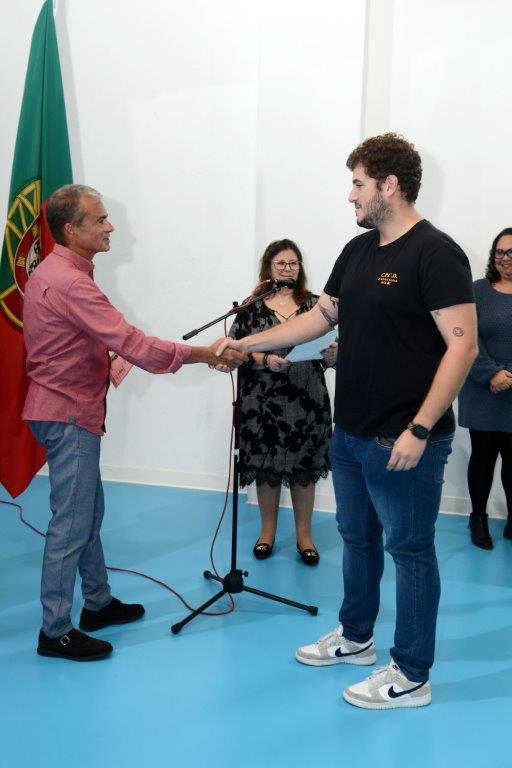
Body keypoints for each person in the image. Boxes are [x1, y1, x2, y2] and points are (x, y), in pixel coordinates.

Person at [217, 133, 477, 709]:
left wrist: (420, 428)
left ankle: (411, 673)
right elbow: (318, 319)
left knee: (411, 551)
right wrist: (245, 343)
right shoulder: (357, 251)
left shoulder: (436, 253)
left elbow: (463, 346)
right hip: (351, 432)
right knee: (357, 538)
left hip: (403, 438)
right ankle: (357, 638)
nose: (350, 195)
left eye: (358, 183)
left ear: (390, 185)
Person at [22, 184, 246, 662]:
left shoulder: (57, 272)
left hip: (64, 408)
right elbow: (132, 343)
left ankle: (97, 603)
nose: (110, 227)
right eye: (100, 220)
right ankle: (54, 631)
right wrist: (205, 353)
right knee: (71, 524)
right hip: (68, 413)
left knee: (87, 513)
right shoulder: (71, 283)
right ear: (71, 229)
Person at [229, 239, 335, 565]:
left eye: (293, 263)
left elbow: (333, 356)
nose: (288, 269)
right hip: (261, 402)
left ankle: (305, 536)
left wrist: (334, 355)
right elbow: (236, 351)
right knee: (267, 469)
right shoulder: (250, 308)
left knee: (305, 470)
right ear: (268, 268)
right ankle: (267, 533)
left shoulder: (317, 307)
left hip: (307, 400)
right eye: (281, 263)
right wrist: (265, 360)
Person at [458, 227, 512, 549]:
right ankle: (478, 518)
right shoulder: (477, 290)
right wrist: (492, 374)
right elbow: (466, 337)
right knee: (483, 456)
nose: (506, 258)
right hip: (482, 388)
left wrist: (509, 375)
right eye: (500, 252)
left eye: (511, 252)